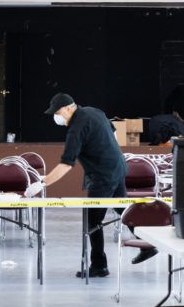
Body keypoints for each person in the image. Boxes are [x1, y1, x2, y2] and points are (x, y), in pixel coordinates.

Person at [25, 93, 127, 278]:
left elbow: (66, 164)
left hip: (103, 175)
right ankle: (150, 242)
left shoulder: (76, 128)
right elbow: (113, 133)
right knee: (124, 211)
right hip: (118, 167)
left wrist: (42, 183)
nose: (56, 117)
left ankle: (99, 266)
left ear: (68, 108)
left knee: (93, 221)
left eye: (57, 112)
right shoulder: (94, 111)